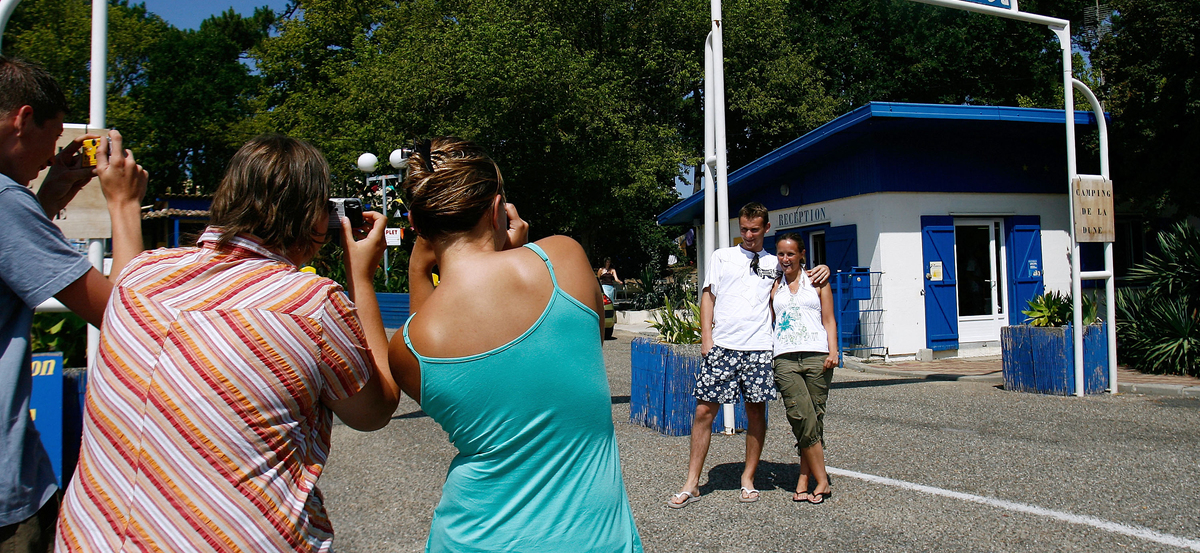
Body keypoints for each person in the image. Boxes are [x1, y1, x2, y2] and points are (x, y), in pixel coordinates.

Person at [56, 134, 400, 552]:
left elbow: (130, 276)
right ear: (311, 214)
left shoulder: (139, 278)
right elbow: (374, 411)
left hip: (92, 537)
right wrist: (359, 277)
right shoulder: (311, 305)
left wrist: (124, 205)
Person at [389, 137, 642, 553]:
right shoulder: (565, 257)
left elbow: (435, 365)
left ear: (417, 226)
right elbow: (582, 347)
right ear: (496, 209)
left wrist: (419, 269)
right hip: (597, 540)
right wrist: (517, 250)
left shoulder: (408, 346)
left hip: (473, 540)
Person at [0, 55, 147, 553]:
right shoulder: (5, 203)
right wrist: (124, 205)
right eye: (54, 135)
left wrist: (53, 190)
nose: (53, 153)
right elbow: (123, 315)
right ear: (23, 119)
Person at [667, 202, 828, 508]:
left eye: (755, 230)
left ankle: (748, 478)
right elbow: (708, 295)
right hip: (723, 346)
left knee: (756, 412)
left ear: (766, 228)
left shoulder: (775, 261)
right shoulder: (722, 256)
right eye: (743, 229)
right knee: (704, 411)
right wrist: (707, 337)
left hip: (759, 348)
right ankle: (692, 483)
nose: (749, 235)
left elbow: (801, 272)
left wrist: (825, 267)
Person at [770, 232, 838, 504]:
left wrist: (834, 352)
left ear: (801, 256)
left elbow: (829, 320)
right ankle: (822, 480)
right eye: (781, 254)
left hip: (817, 357)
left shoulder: (817, 282)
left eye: (790, 254)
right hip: (785, 358)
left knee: (815, 418)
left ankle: (803, 478)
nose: (785, 259)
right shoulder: (775, 286)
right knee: (800, 416)